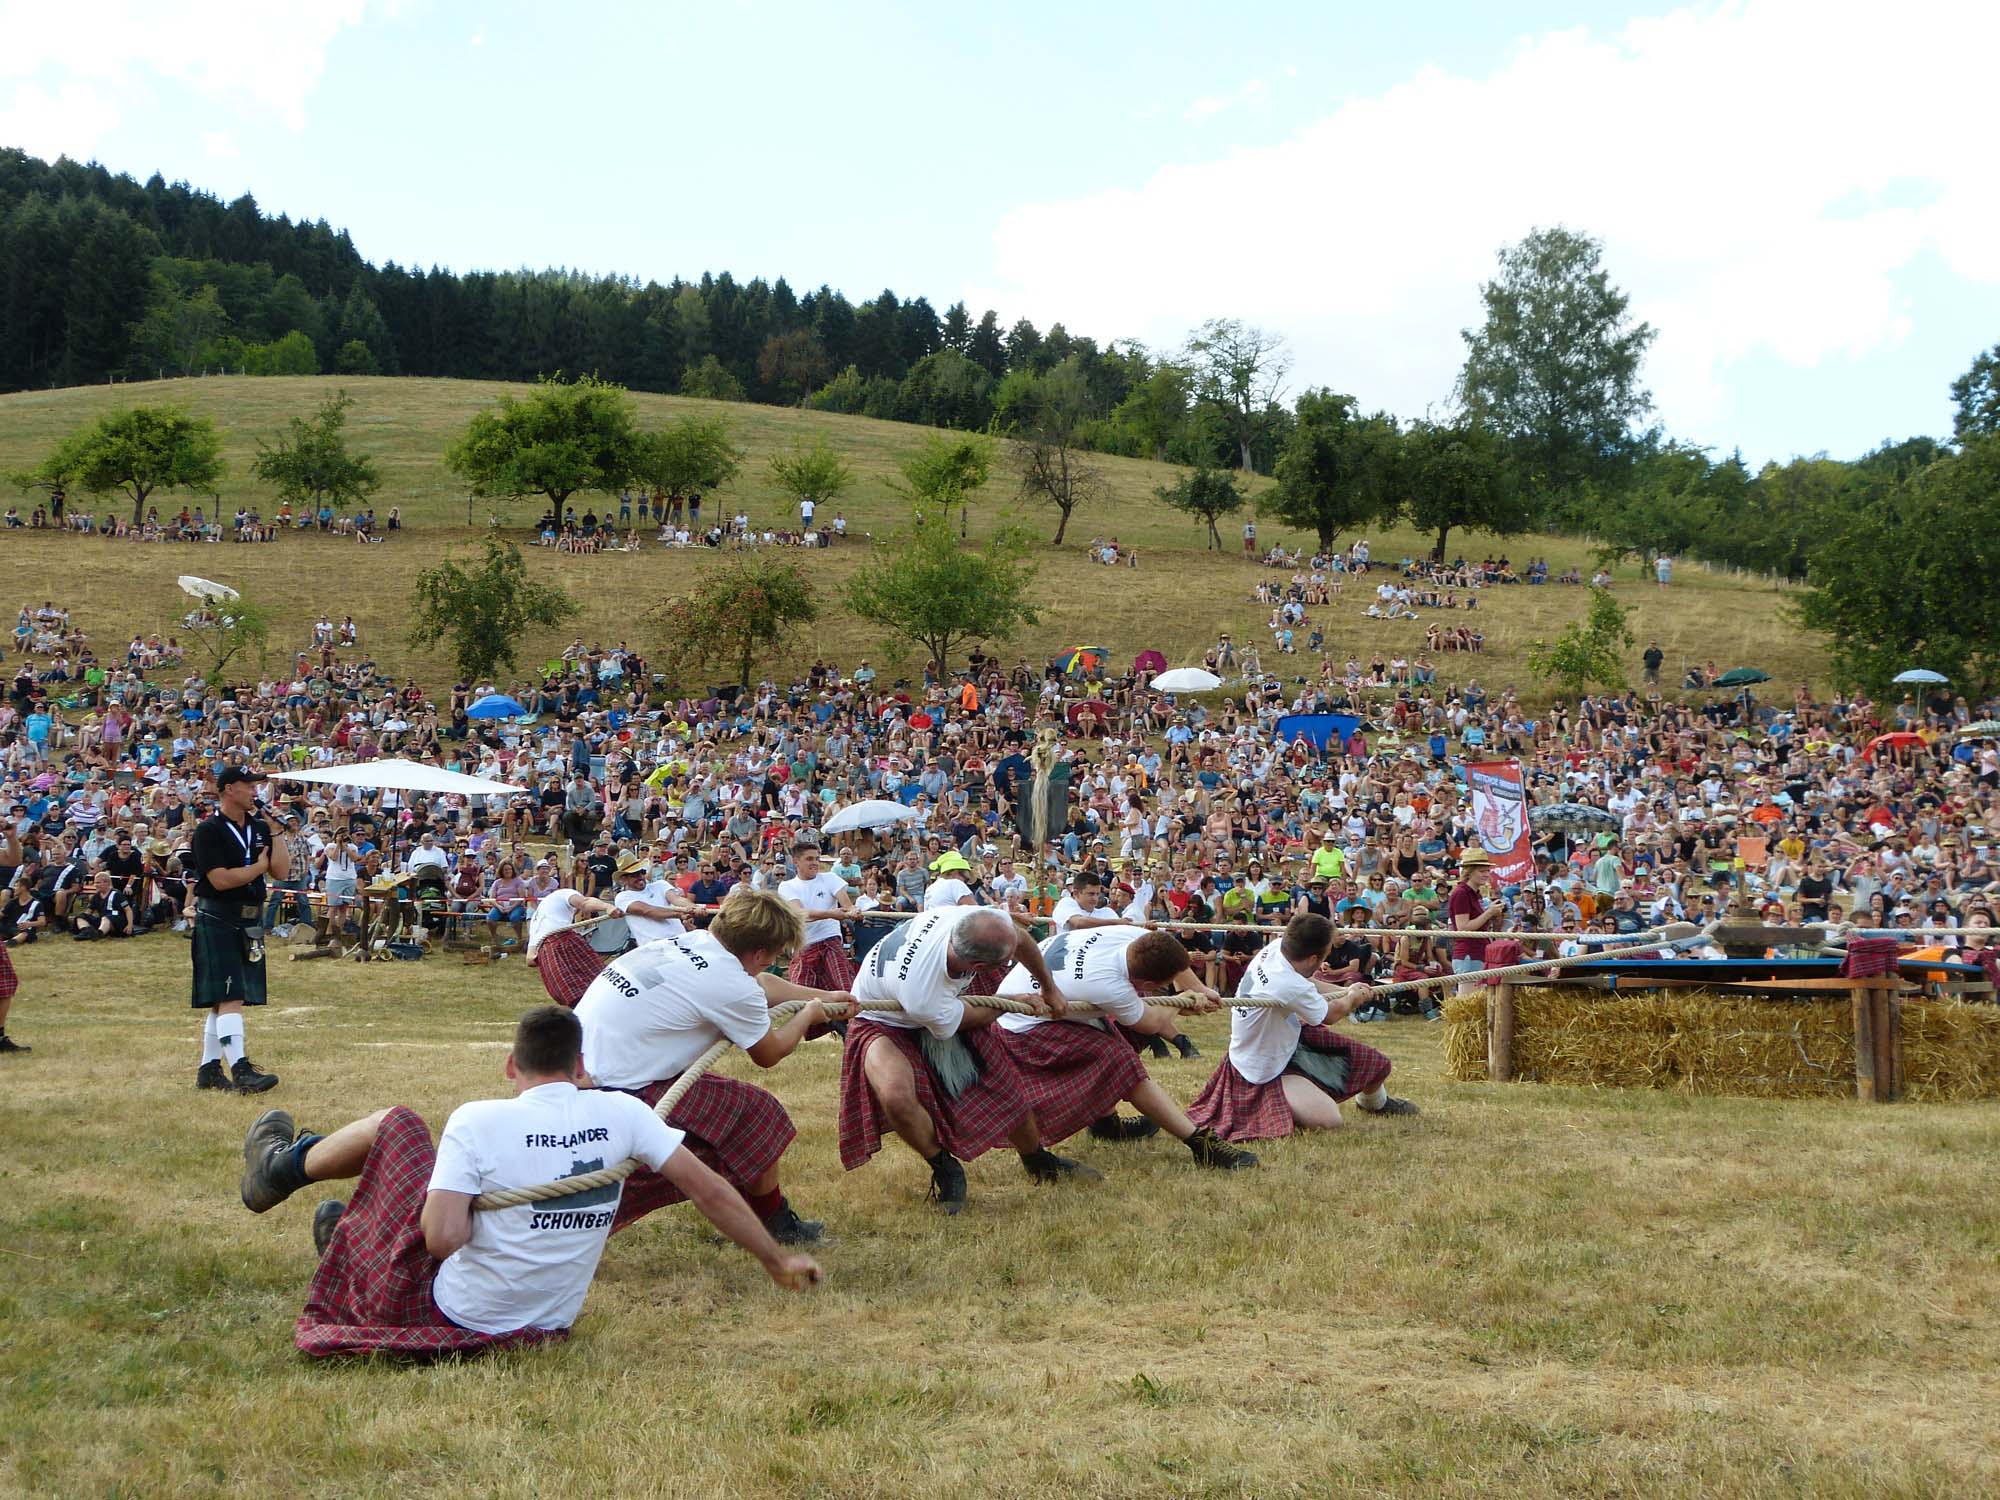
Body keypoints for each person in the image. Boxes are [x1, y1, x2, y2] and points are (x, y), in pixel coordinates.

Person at [235, 1004, 820, 1358]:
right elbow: (713, 1191)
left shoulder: (477, 1119)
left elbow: (440, 1242)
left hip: (457, 1313)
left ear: (511, 1067)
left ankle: (284, 1169)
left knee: (401, 1126)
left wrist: (458, 1203)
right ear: (581, 1068)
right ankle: (348, 1227)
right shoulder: (625, 1115)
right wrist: (775, 1260)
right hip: (549, 1324)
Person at [576, 889, 838, 1246]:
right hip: (618, 1086)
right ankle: (570, 1227)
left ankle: (771, 1219)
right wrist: (808, 1015)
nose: (771, 963)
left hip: (579, 1069)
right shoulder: (729, 984)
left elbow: (758, 983)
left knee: (750, 1113)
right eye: (773, 956)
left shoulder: (696, 941)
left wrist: (820, 996)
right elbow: (768, 1053)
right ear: (759, 953)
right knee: (754, 1119)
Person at [840, 904, 1088, 1214]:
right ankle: (945, 1167)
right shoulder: (923, 995)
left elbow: (1020, 939)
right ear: (982, 966)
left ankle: (1037, 1159)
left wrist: (1049, 988)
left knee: (1002, 1085)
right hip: (884, 1019)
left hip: (941, 1004)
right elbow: (963, 1020)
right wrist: (1008, 1002)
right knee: (895, 1097)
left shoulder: (967, 920)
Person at [993, 925, 1259, 1169]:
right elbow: (1151, 1024)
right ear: (1149, 986)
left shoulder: (1128, 936)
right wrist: (1182, 1000)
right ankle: (1201, 1144)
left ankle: (1106, 1124)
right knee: (1121, 1060)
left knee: (1115, 1042)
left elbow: (1170, 952)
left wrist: (1201, 989)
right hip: (1022, 1026)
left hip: (1046, 1006)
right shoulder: (1108, 985)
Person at [1186, 913, 1419, 1140]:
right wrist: (1352, 999)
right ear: (1312, 959)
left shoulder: (1278, 948)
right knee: (1329, 1120)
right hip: (1263, 1066)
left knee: (1377, 1065)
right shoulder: (1286, 982)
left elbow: (1306, 983)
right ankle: (1271, 1100)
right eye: (1325, 954)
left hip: (1290, 1040)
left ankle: (1374, 1104)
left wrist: (1348, 991)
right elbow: (1330, 1014)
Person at [190, 766, 287, 1093]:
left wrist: (276, 833)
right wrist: (259, 867)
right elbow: (220, 879)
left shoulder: (259, 827)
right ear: (229, 789)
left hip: (248, 919)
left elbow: (283, 871)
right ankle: (241, 1069)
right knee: (231, 994)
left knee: (225, 999)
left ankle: (209, 1069)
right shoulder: (209, 830)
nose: (254, 792)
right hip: (219, 916)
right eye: (248, 786)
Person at [779, 838, 857, 994]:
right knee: (803, 997)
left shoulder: (830, 878)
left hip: (830, 940)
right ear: (796, 861)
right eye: (809, 859)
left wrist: (853, 911)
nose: (815, 863)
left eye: (817, 858)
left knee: (846, 988)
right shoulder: (786, 886)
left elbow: (847, 905)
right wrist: (831, 914)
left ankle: (853, 1018)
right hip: (804, 945)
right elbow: (801, 914)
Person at [526, 883, 618, 1007]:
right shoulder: (564, 893)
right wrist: (607, 906)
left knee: (577, 1000)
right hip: (564, 940)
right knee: (602, 986)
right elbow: (584, 903)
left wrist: (550, 957)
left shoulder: (536, 920)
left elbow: (530, 960)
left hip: (545, 952)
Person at [1448, 846, 1504, 995]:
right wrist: (1489, 912)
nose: (1486, 874)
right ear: (1469, 872)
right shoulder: (1461, 893)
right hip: (1468, 952)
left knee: (1475, 998)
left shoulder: (1474, 893)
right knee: (1467, 1000)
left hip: (1477, 950)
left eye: (1487, 871)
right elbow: (1463, 927)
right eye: (1482, 871)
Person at [611, 853, 695, 945]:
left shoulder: (660, 884)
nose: (640, 877)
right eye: (634, 875)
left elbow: (676, 899)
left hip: (681, 939)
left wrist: (693, 907)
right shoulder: (622, 897)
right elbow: (648, 911)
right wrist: (680, 915)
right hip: (654, 946)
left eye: (642, 872)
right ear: (624, 880)